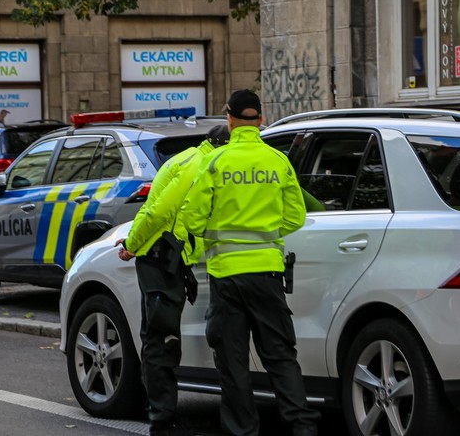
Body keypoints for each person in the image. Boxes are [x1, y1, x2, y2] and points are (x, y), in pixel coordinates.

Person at [179, 90, 320, 436]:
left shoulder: (216, 162)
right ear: (260, 119)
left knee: (233, 363)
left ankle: (243, 431)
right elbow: (296, 216)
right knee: (281, 357)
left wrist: (216, 232)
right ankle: (302, 428)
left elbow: (192, 219)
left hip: (227, 277)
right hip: (268, 274)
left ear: (228, 119)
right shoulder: (278, 161)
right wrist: (266, 231)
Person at [114, 124, 230, 436]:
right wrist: (132, 245)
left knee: (158, 336)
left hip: (163, 258)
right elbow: (159, 213)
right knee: (162, 339)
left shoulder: (189, 158)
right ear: (220, 146)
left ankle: (158, 410)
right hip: (160, 259)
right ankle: (161, 421)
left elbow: (154, 207)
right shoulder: (198, 165)